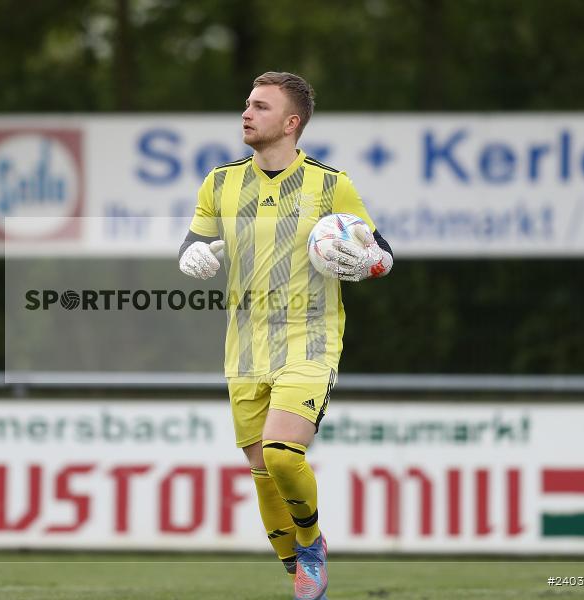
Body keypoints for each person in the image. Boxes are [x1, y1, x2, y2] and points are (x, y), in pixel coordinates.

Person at [178, 71, 393, 600]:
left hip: (310, 340)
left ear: (291, 122)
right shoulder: (220, 182)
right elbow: (193, 242)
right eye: (246, 105)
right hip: (244, 344)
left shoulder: (331, 184)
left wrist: (368, 261)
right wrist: (192, 256)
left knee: (280, 453)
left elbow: (383, 253)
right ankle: (297, 570)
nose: (246, 114)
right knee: (261, 469)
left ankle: (312, 545)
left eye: (260, 106)